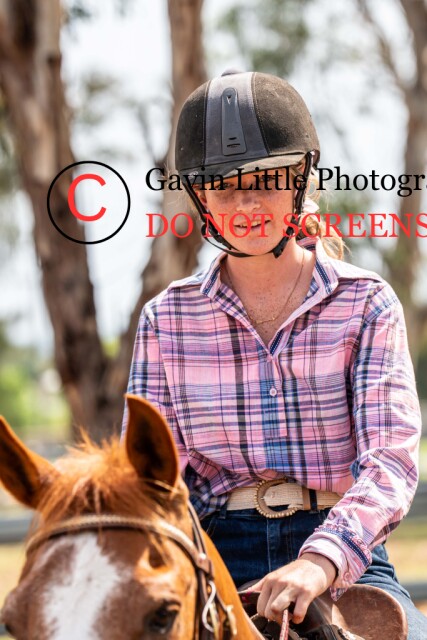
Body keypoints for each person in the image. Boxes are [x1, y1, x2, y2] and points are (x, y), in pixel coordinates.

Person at [122, 70, 427, 638]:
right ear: (200, 197)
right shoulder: (166, 319)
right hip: (214, 554)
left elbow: (390, 460)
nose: (246, 202)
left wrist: (321, 560)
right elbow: (152, 477)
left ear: (299, 180)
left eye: (266, 180)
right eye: (223, 186)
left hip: (344, 554)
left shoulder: (366, 303)